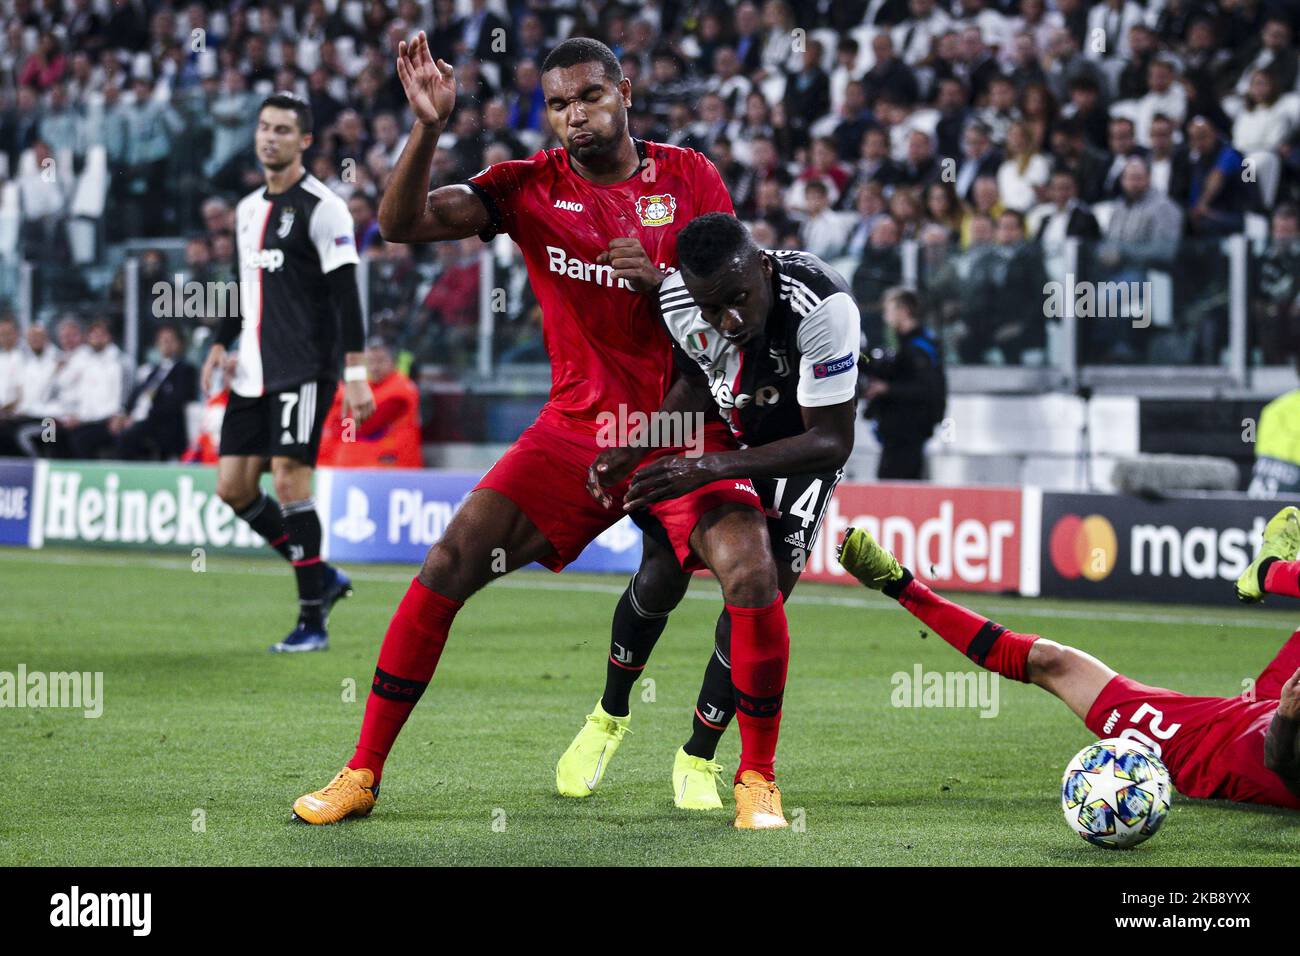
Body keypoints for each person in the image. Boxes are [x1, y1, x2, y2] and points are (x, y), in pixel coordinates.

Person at [291, 36, 793, 831]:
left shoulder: (690, 176)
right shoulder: (527, 188)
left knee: (752, 571)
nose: (574, 116)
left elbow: (735, 303)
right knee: (450, 560)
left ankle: (756, 779)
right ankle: (361, 772)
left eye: (590, 96)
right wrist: (426, 128)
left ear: (625, 92)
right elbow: (400, 224)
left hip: (681, 426)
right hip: (574, 434)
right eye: (558, 104)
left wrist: (661, 284)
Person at [564, 213, 857, 814]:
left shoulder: (824, 308)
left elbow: (831, 440)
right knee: (661, 571)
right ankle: (609, 714)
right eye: (711, 309)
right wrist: (636, 446)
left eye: (739, 301)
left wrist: (707, 469)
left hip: (796, 456)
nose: (728, 321)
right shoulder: (681, 298)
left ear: (762, 265)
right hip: (722, 441)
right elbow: (698, 380)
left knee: (758, 596)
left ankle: (699, 754)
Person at [836, 510, 1300, 810]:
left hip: (1200, 744)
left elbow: (1280, 763)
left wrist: (1285, 714)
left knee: (1047, 659)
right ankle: (1270, 570)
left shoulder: (1204, 749)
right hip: (1260, 708)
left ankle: (900, 584)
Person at [200, 91, 375, 653]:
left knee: (290, 477)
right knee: (233, 488)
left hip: (303, 367)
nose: (269, 137)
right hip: (250, 370)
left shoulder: (324, 207)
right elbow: (243, 289)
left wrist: (354, 371)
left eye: (282, 130)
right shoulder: (248, 209)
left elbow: (348, 295)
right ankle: (321, 576)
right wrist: (218, 341)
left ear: (303, 141)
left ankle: (311, 621)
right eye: (264, 128)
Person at [863, 287, 945, 480]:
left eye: (888, 310)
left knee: (895, 486)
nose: (885, 316)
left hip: (908, 433)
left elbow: (926, 390)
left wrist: (886, 389)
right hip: (897, 433)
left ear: (904, 311)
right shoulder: (904, 344)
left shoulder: (919, 347)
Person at [317, 340, 422, 468]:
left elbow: (366, 426)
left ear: (393, 363)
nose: (374, 367)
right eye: (369, 362)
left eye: (380, 361)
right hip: (356, 466)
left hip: (391, 468)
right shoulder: (364, 386)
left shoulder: (400, 389)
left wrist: (338, 422)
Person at [111, 324, 198, 461]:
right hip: (136, 420)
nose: (165, 344)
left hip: (161, 424)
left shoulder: (185, 370)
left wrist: (138, 419)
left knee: (128, 437)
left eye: (169, 340)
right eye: (162, 340)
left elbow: (175, 403)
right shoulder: (152, 370)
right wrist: (123, 414)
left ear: (179, 344)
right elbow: (136, 395)